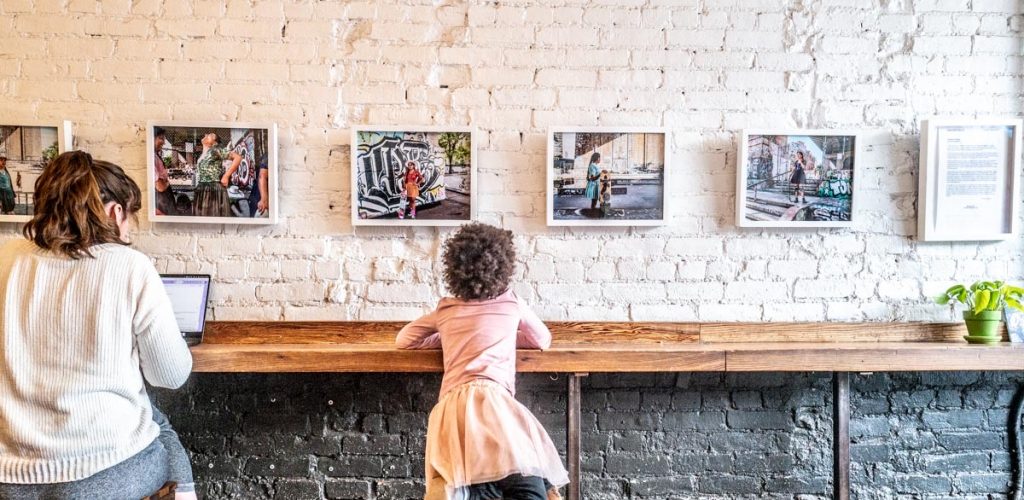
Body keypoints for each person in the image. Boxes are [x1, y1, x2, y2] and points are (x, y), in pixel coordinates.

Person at [0, 151, 196, 499]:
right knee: (157, 421)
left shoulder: (6, 257)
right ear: (114, 211)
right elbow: (170, 375)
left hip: (12, 475)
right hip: (106, 471)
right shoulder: (129, 266)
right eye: (131, 215)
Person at [397, 223, 569, 500]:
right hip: (494, 404)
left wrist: (451, 339)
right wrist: (504, 338)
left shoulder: (447, 309)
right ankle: (545, 489)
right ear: (504, 267)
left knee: (473, 480)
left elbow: (405, 339)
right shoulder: (511, 304)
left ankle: (455, 490)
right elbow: (542, 339)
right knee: (525, 479)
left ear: (455, 269)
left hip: (453, 409)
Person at [194, 132, 242, 217]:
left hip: (213, 189)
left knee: (212, 214)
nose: (206, 135)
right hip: (203, 188)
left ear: (214, 143)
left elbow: (238, 158)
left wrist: (226, 176)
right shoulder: (204, 154)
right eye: (207, 134)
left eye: (210, 135)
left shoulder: (215, 150)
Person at [153, 127, 177, 216]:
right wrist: (166, 182)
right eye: (161, 138)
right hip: (161, 201)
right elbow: (160, 186)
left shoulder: (155, 156)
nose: (164, 142)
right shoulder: (153, 158)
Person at [248, 152, 269, 217]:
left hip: (259, 198)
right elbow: (262, 175)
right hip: (260, 200)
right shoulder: (269, 155)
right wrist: (263, 199)